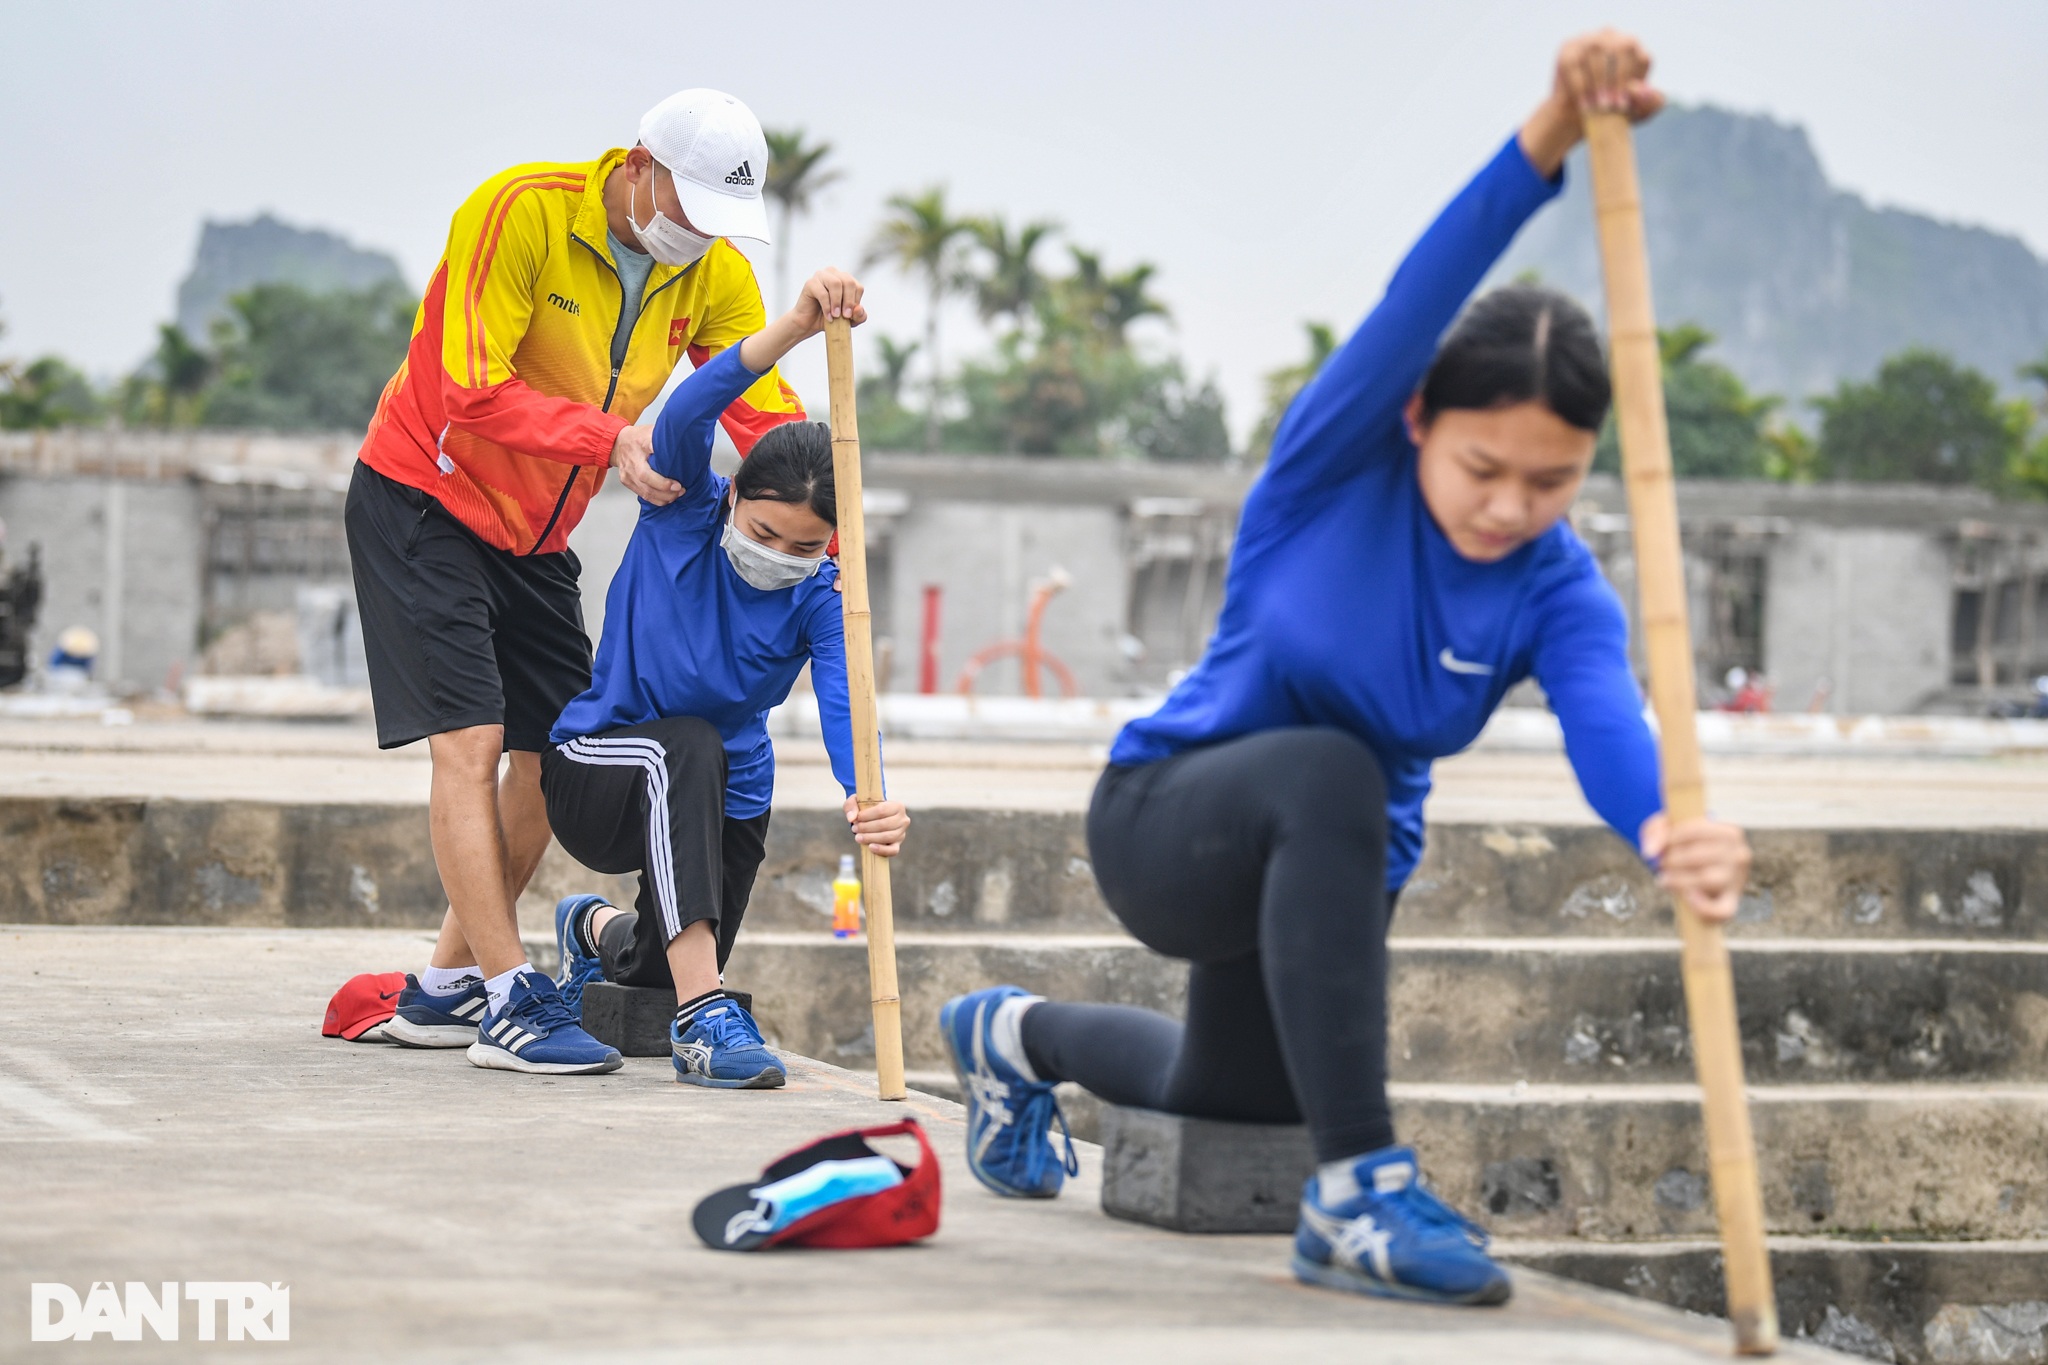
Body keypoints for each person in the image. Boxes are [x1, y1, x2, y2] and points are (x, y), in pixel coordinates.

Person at [939, 30, 1754, 1306]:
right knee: (1332, 771)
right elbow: (1418, 299)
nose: (1507, 506)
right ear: (1422, 424)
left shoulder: (1556, 586)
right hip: (1168, 823)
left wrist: (1666, 829)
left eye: (1549, 482)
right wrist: (1546, 131)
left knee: (1236, 1102)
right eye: (1483, 470)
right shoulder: (1327, 471)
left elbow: (1609, 722)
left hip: (1329, 865)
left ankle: (1006, 1035)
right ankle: (1361, 1191)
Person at [352, 89, 808, 1073]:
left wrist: (827, 508)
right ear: (638, 165)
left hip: (536, 533)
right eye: (687, 208)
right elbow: (465, 386)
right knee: (470, 744)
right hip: (423, 496)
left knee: (551, 750)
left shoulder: (714, 275)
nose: (698, 238)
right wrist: (611, 440)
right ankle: (514, 996)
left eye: (719, 223)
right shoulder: (521, 211)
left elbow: (761, 415)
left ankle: (441, 990)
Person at [539, 268, 911, 1088]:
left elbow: (849, 706)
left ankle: (593, 931)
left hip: (718, 793)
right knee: (690, 747)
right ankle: (705, 1020)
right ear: (734, 494)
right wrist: (794, 327)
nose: (779, 555)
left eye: (804, 546)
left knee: (657, 964)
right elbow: (687, 410)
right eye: (765, 530)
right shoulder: (681, 508)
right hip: (598, 767)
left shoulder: (822, 597)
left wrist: (871, 797)